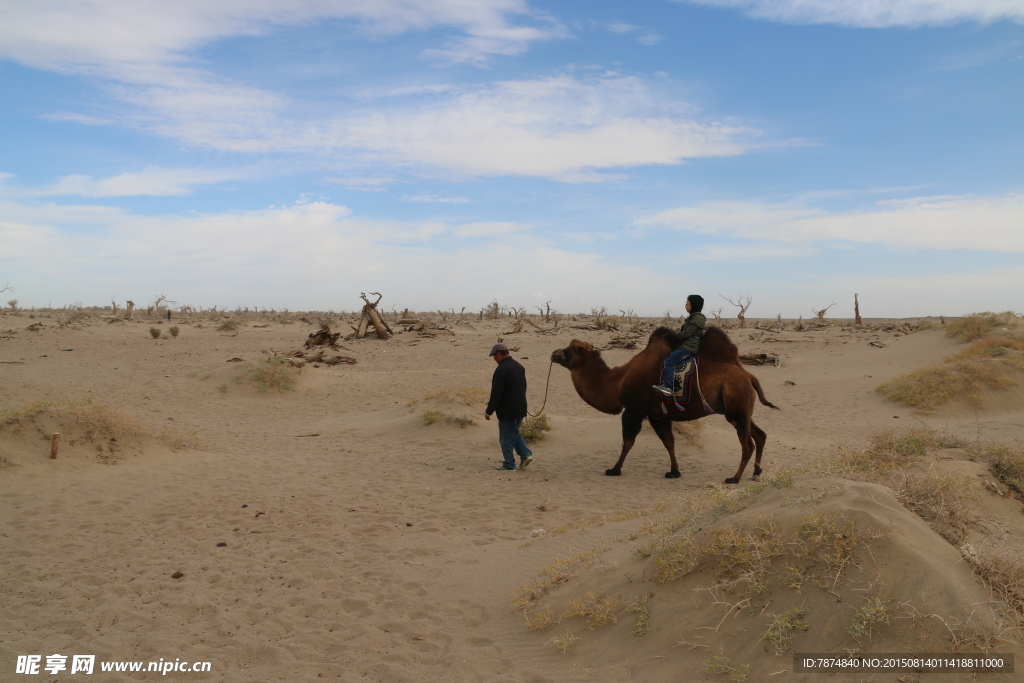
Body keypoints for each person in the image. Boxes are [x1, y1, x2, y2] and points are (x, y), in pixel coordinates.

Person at [484, 342, 533, 471]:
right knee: (514, 433)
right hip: (520, 408)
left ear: (499, 354)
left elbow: (496, 393)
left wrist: (489, 411)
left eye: (494, 356)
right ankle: (525, 454)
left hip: (507, 410)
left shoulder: (501, 369)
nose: (494, 359)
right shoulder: (519, 366)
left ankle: (509, 465)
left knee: (506, 439)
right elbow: (524, 387)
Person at [654, 295, 706, 395]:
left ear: (693, 305)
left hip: (689, 347)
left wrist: (672, 334)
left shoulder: (696, 318)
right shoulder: (695, 317)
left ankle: (668, 386)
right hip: (688, 345)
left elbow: (687, 334)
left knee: (669, 361)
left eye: (687, 303)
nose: (685, 306)